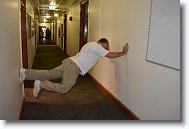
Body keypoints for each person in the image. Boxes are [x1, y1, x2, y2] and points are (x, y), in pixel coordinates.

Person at [20, 38, 129, 98]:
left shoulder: (90, 45)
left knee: (50, 73)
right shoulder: (96, 46)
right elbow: (109, 54)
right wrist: (123, 52)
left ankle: (25, 73)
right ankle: (41, 84)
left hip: (69, 62)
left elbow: (106, 54)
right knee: (65, 88)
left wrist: (107, 51)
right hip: (73, 66)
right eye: (105, 47)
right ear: (100, 43)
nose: (104, 50)